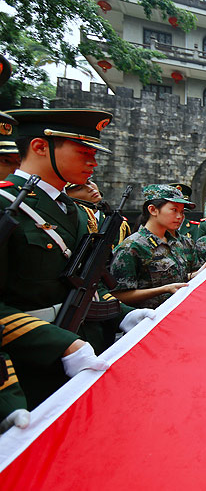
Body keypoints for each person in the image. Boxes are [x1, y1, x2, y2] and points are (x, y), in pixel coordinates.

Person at [1, 107, 120, 422]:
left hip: (87, 356)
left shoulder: (76, 212)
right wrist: (62, 345)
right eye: (84, 151)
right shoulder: (6, 205)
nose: (93, 161)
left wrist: (127, 316)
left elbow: (85, 283)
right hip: (27, 369)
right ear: (40, 147)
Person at [110, 185, 206, 309]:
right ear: (153, 210)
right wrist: (163, 290)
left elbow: (177, 278)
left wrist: (201, 272)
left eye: (182, 212)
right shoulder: (132, 247)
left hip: (181, 313)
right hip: (149, 320)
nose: (179, 217)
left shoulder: (179, 243)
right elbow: (119, 295)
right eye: (174, 210)